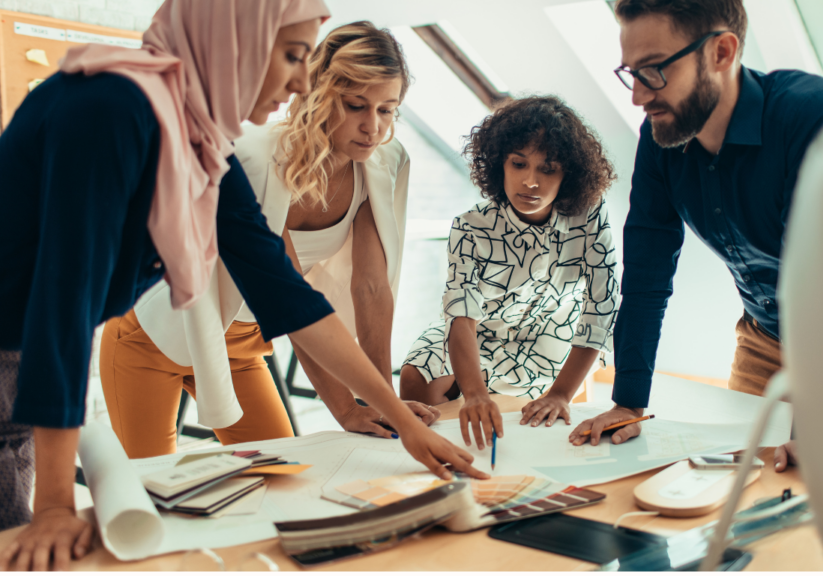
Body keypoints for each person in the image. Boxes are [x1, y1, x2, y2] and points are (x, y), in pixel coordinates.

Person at [0, 1, 483, 570]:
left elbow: (286, 293)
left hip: (22, 357)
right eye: (294, 55)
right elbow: (63, 303)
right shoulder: (109, 109)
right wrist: (57, 504)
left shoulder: (200, 139)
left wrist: (402, 423)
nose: (303, 81)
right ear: (233, 41)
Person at [569, 0, 823, 470]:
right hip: (765, 335)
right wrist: (628, 403)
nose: (639, 96)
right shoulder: (662, 138)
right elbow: (645, 275)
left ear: (721, 51)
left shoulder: (813, 115)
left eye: (654, 70)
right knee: (739, 488)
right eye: (631, 72)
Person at [99, 21, 436, 458]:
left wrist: (379, 402)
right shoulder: (256, 157)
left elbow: (371, 288)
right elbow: (291, 300)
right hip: (150, 337)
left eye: (387, 109)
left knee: (282, 477)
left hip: (240, 345)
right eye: (355, 105)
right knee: (151, 495)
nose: (372, 126)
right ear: (318, 93)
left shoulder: (384, 161)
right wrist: (349, 409)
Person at [400, 96, 620, 450]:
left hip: (553, 335)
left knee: (537, 421)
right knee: (415, 379)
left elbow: (602, 305)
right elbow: (462, 316)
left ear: (569, 174)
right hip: (481, 332)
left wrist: (563, 393)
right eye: (519, 164)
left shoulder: (590, 215)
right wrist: (473, 394)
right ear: (499, 163)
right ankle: (448, 458)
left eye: (547, 169)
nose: (530, 181)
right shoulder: (470, 228)